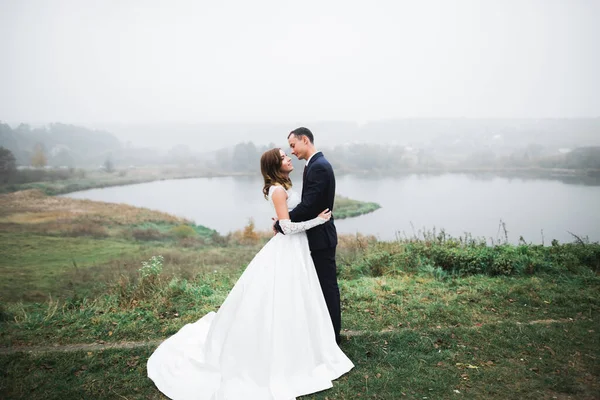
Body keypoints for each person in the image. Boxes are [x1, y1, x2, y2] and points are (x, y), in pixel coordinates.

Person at [147, 147, 353, 400]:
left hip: (296, 249)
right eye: (284, 157)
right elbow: (287, 227)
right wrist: (318, 221)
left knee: (298, 295)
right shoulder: (278, 190)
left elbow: (285, 219)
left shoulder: (282, 186)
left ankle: (302, 341)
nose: (289, 158)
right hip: (288, 248)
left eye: (289, 154)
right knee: (283, 295)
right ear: (276, 165)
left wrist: (285, 221)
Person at [274, 127, 342, 344]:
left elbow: (310, 205)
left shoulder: (319, 166)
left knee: (327, 286)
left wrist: (283, 222)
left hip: (321, 237)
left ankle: (333, 337)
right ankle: (323, 333)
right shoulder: (313, 165)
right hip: (315, 235)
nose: (292, 151)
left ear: (305, 140)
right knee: (318, 287)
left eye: (293, 145)